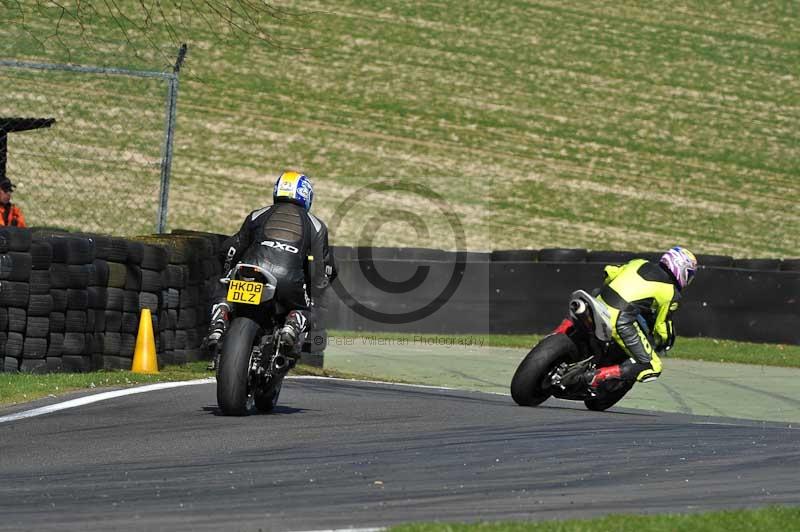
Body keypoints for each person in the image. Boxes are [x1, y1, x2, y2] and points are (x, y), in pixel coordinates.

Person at [206, 171, 337, 362]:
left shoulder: (258, 214)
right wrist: (316, 294)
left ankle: (219, 317)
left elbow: (232, 248)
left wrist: (227, 271)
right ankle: (293, 323)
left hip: (251, 270)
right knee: (309, 308)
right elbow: (322, 266)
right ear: (307, 195)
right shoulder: (316, 225)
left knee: (223, 290)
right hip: (288, 279)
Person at [581, 246, 698, 389]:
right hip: (620, 319)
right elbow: (662, 326)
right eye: (689, 275)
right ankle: (598, 376)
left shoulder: (639, 262)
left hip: (598, 301)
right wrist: (664, 341)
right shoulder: (671, 293)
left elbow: (610, 271)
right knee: (652, 365)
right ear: (681, 270)